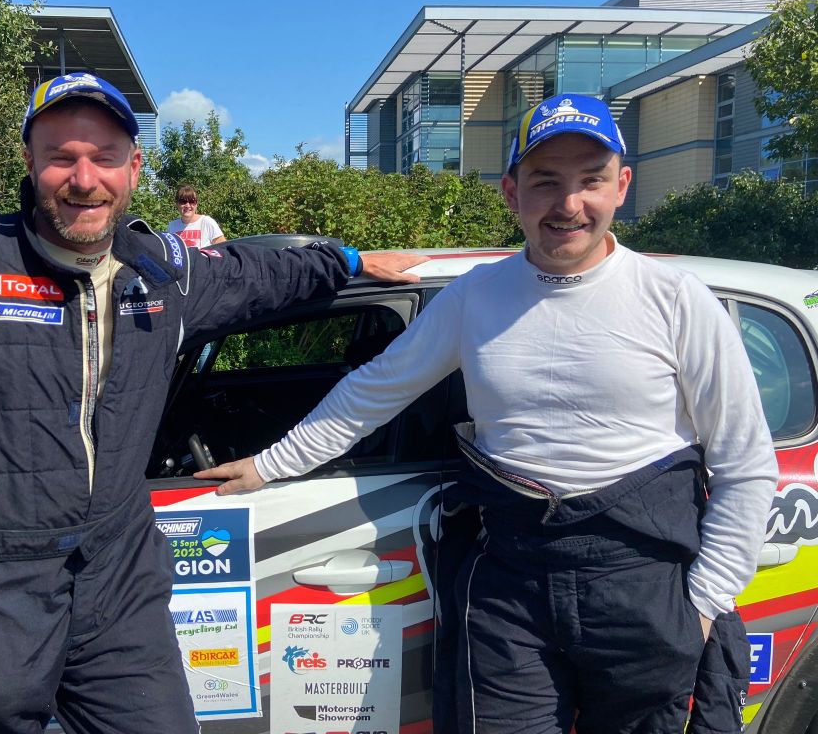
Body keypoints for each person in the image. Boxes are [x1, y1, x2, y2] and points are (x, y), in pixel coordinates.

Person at [0, 71, 424, 734]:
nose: (84, 178)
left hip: (120, 576)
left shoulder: (162, 271)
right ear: (30, 162)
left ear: (134, 167)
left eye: (104, 157)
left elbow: (256, 273)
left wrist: (346, 259)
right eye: (62, 156)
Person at [196, 93, 778, 734]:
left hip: (643, 585)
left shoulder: (676, 299)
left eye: (591, 181)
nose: (569, 204)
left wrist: (702, 605)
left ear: (622, 187)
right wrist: (269, 466)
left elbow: (745, 464)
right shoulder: (475, 296)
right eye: (545, 181)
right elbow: (376, 389)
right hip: (510, 579)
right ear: (511, 191)